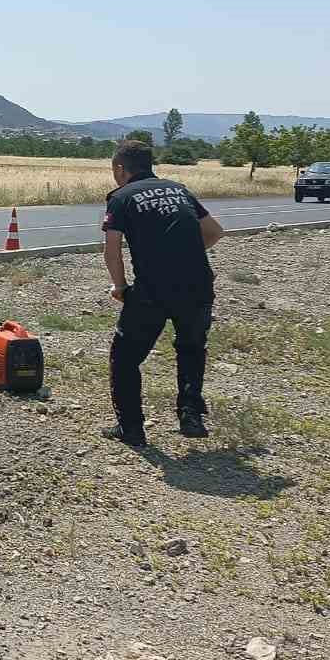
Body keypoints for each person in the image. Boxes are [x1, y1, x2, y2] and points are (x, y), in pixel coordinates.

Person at [101, 141, 225, 447]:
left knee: (125, 358)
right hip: (198, 285)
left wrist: (120, 286)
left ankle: (131, 428)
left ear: (121, 169)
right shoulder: (179, 190)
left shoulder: (120, 198)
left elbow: (112, 250)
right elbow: (215, 231)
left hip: (152, 289)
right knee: (191, 349)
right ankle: (191, 417)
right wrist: (183, 254)